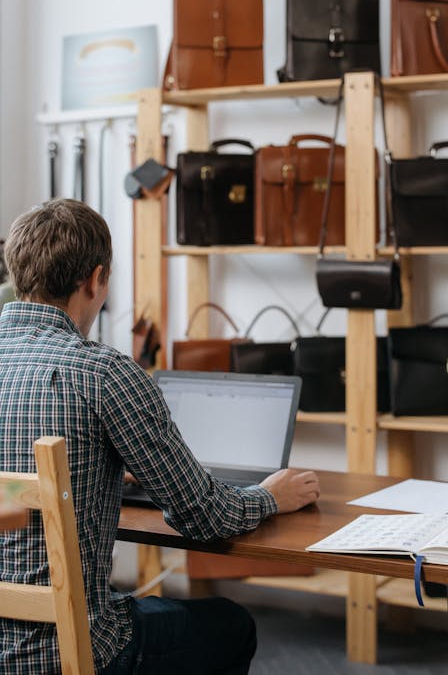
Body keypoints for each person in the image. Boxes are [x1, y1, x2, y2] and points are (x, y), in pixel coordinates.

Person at [0, 198, 320, 674]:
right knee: (230, 625)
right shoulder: (103, 373)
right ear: (96, 279)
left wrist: (105, 471)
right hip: (64, 653)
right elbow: (204, 516)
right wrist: (269, 496)